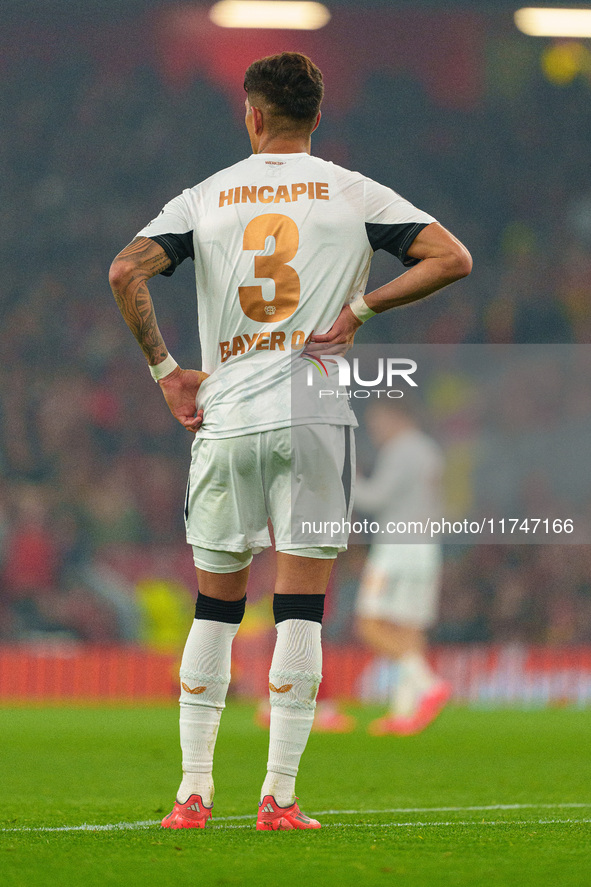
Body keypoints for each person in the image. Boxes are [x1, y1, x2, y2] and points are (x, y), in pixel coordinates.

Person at [108, 51, 471, 831]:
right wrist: (361, 310)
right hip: (313, 414)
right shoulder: (352, 191)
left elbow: (123, 271)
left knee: (215, 609)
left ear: (252, 114)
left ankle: (192, 794)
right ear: (315, 118)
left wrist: (169, 371)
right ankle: (278, 797)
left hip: (228, 413)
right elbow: (451, 258)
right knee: (300, 610)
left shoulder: (204, 197)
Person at [355, 402, 451, 736]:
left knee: (369, 623)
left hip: (395, 551)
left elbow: (373, 498)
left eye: (376, 420)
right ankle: (404, 713)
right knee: (409, 631)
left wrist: (343, 478)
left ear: (397, 415)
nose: (374, 429)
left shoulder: (401, 449)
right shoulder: (429, 450)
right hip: (425, 548)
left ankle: (429, 684)